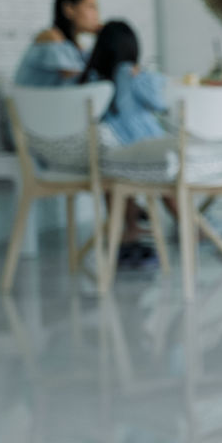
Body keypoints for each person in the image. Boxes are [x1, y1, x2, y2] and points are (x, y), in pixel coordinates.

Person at [79, 20, 171, 268]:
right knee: (169, 187)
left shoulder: (90, 76)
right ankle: (194, 229)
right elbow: (163, 101)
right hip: (145, 150)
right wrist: (147, 75)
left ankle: (125, 234)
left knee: (118, 187)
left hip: (108, 152)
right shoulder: (131, 73)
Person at [14, 0, 101, 86]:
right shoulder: (51, 37)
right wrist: (108, 37)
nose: (96, 14)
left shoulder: (76, 48)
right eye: (91, 7)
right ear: (69, 9)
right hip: (31, 101)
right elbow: (79, 79)